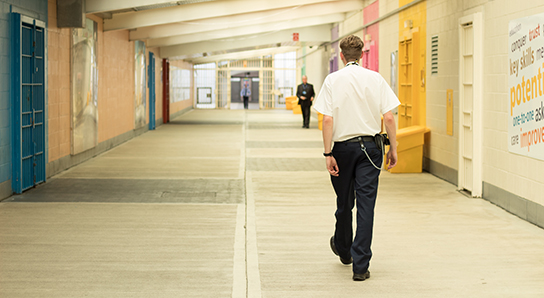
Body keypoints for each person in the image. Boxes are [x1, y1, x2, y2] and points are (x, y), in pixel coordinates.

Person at [312, 35, 399, 282]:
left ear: (342, 55)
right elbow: (389, 117)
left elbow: (327, 120)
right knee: (366, 206)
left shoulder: (332, 80)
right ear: (361, 55)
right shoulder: (375, 78)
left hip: (342, 149)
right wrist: (393, 147)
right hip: (371, 149)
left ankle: (343, 249)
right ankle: (360, 266)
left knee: (344, 202)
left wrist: (328, 152)